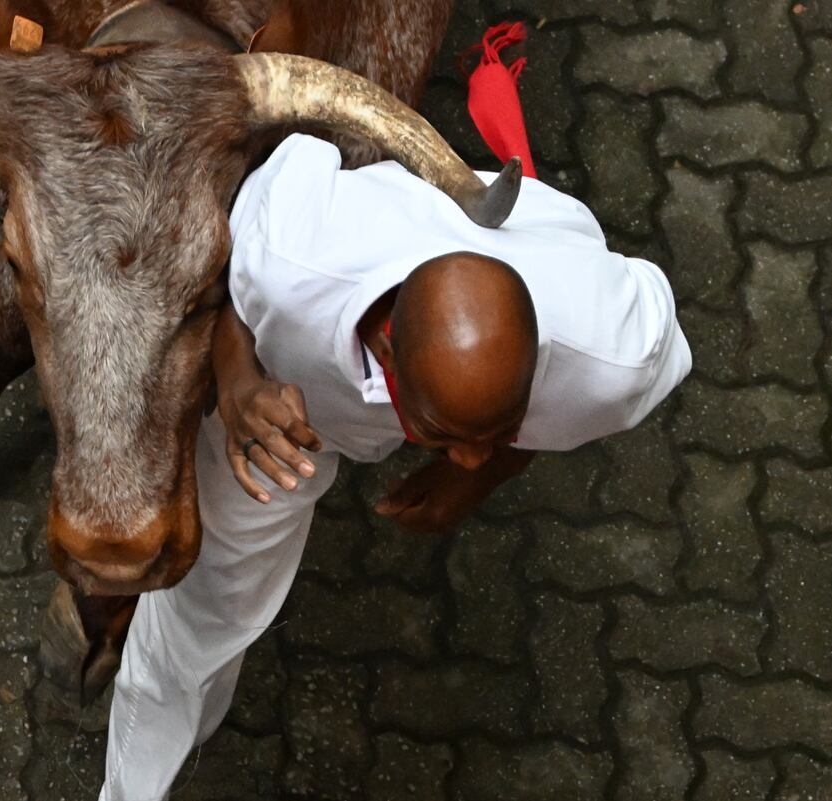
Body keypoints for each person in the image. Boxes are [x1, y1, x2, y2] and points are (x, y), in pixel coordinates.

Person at [97, 133, 692, 800]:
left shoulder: (615, 356)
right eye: (446, 434)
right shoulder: (293, 256)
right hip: (282, 402)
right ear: (385, 348)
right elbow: (221, 272)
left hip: (529, 261)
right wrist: (236, 386)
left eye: (497, 428)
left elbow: (647, 330)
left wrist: (486, 473)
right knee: (198, 616)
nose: (469, 452)